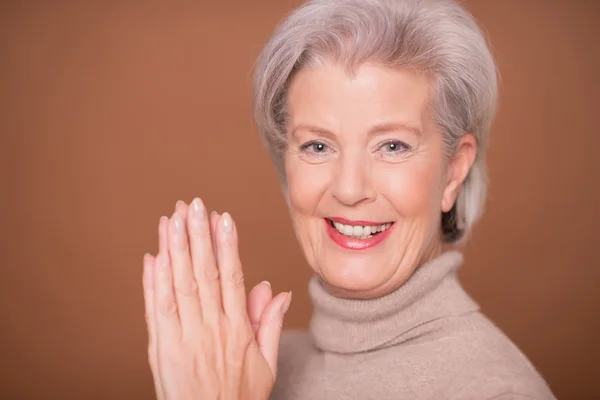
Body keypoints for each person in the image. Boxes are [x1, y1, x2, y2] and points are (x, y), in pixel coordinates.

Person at [141, 0, 556, 398]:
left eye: (392, 146)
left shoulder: (496, 391)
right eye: (318, 147)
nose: (349, 189)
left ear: (453, 171)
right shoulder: (242, 368)